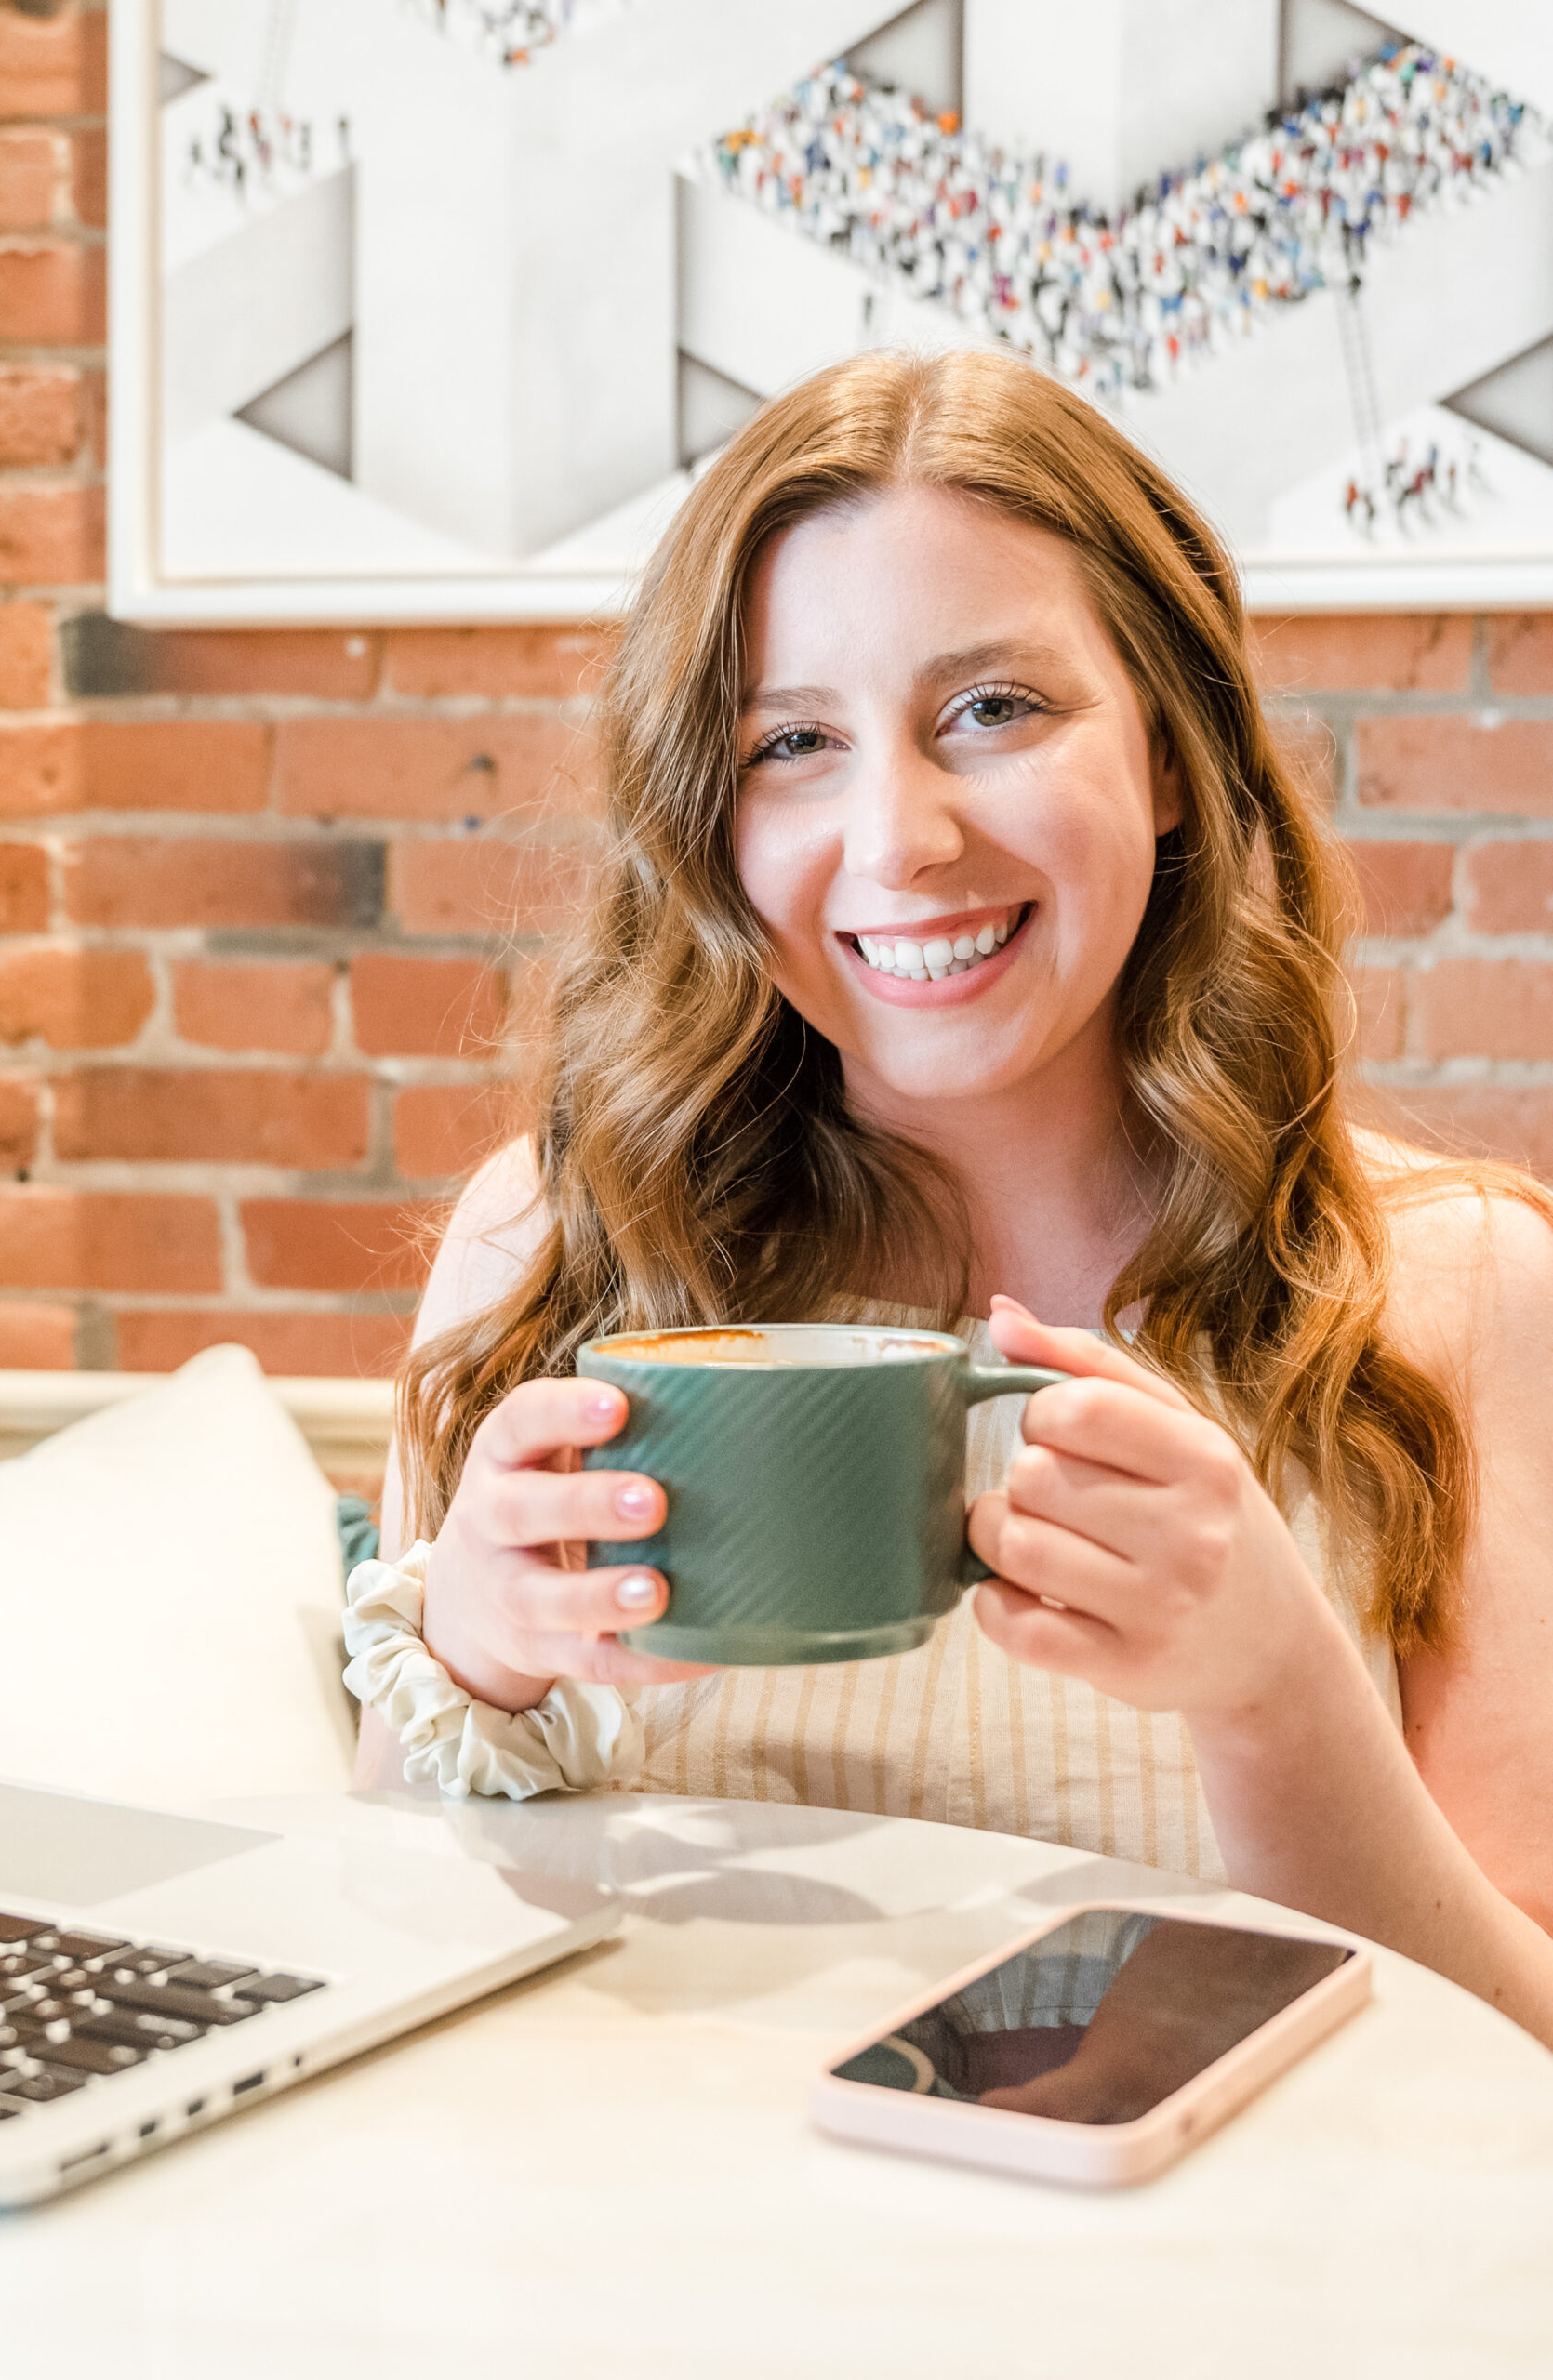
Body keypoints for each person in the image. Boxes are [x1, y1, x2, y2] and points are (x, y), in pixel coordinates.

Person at [351, 345, 1553, 2044]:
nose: (897, 838)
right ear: (709, 817)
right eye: (794, 743)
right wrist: (469, 1659)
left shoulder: (1459, 1293)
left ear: (1172, 758)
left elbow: (1527, 2065)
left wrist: (1279, 1691)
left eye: (994, 711)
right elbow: (388, 1951)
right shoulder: (548, 1247)